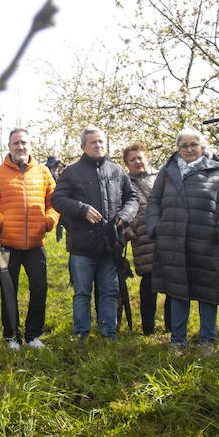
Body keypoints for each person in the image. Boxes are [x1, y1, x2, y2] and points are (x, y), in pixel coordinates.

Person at [148, 129, 219, 354]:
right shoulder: (167, 171)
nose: (190, 149)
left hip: (208, 242)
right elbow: (154, 201)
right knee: (177, 292)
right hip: (173, 240)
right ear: (178, 149)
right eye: (184, 145)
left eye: (194, 144)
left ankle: (208, 341)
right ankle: (178, 341)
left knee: (208, 293)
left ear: (203, 147)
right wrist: (155, 226)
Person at [53, 128, 137, 346]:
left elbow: (132, 198)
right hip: (82, 246)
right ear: (83, 147)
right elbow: (58, 199)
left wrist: (123, 217)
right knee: (82, 293)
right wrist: (81, 209)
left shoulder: (117, 171)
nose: (98, 145)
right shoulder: (71, 172)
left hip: (111, 245)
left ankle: (108, 335)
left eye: (101, 141)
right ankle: (81, 336)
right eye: (93, 142)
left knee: (109, 292)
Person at [0, 128, 60, 349]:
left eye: (23, 142)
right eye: (15, 143)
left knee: (39, 288)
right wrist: (1, 222)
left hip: (36, 245)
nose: (20, 147)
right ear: (9, 147)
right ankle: (11, 335)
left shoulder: (43, 172)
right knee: (8, 289)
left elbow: (55, 203)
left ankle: (33, 335)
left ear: (30, 144)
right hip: (5, 246)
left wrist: (49, 221)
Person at [121, 144, 159, 336]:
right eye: (132, 159)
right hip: (142, 236)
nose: (137, 162)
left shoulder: (161, 177)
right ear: (127, 164)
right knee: (149, 281)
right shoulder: (125, 183)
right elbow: (120, 208)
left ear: (147, 158)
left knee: (170, 281)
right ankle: (148, 327)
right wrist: (127, 228)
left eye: (139, 157)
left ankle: (170, 325)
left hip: (164, 235)